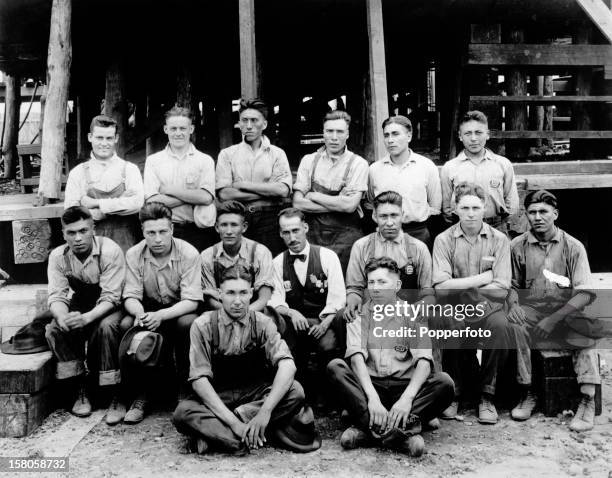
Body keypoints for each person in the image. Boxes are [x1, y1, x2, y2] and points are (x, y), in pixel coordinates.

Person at [173, 264, 320, 454]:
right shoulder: (203, 324)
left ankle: (221, 437)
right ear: (219, 294)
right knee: (183, 412)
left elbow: (288, 366)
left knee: (295, 391)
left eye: (243, 293)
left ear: (251, 293)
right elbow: (200, 381)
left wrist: (264, 413)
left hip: (254, 394)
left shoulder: (263, 323)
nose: (237, 301)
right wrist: (234, 422)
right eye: (230, 293)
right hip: (219, 395)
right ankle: (245, 435)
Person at [327, 257, 454, 455]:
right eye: (371, 282)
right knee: (335, 368)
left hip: (403, 388)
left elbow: (424, 362)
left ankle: (366, 431)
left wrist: (406, 399)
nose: (375, 288)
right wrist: (372, 399)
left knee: (444, 383)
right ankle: (403, 435)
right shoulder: (360, 315)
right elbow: (356, 359)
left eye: (382, 282)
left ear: (397, 285)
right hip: (370, 387)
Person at [507, 190, 601, 432]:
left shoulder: (573, 246)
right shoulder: (517, 246)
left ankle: (587, 399)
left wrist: (553, 319)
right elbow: (511, 285)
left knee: (584, 328)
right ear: (525, 215)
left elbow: (584, 293)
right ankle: (528, 392)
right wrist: (514, 303)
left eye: (543, 212)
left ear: (555, 214)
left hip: (566, 310)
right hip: (532, 309)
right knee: (513, 324)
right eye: (532, 212)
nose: (538, 217)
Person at [432, 182, 513, 425]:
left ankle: (486, 396)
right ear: (455, 208)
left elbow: (501, 289)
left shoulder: (499, 240)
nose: (470, 213)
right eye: (464, 207)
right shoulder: (444, 240)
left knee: (499, 325)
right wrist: (482, 279)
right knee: (448, 320)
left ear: (485, 208)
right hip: (455, 306)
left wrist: (460, 285)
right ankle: (454, 393)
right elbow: (440, 287)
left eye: (475, 207)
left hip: (489, 308)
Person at [44, 206, 127, 425]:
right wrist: (63, 317)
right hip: (81, 302)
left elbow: (112, 296)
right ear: (63, 234)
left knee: (106, 327)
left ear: (93, 229)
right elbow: (57, 296)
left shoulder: (110, 250)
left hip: (111, 304)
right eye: (71, 233)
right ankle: (79, 388)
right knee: (55, 328)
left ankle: (115, 392)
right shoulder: (58, 256)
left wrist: (88, 318)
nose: (78, 238)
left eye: (83, 231)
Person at [121, 202, 202, 423]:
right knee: (126, 325)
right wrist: (140, 314)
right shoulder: (134, 254)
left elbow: (192, 301)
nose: (157, 239)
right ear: (143, 232)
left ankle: (185, 389)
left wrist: (162, 316)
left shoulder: (188, 253)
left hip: (178, 310)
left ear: (172, 230)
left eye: (163, 232)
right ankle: (141, 394)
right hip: (148, 309)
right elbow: (130, 295)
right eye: (151, 233)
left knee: (189, 323)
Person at [269, 207, 346, 402]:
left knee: (328, 345)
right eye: (286, 232)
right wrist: (292, 312)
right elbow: (275, 300)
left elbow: (338, 297)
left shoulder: (327, 256)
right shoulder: (278, 262)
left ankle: (329, 396)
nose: (292, 237)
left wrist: (325, 323)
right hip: (293, 325)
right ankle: (299, 395)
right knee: (288, 348)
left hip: (322, 322)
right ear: (280, 234)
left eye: (295, 230)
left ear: (305, 228)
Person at [293, 110, 368, 272]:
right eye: (329, 131)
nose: (334, 137)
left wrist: (314, 195)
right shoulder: (309, 161)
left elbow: (349, 207)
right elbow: (298, 203)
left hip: (346, 237)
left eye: (340, 132)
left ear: (347, 134)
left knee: (344, 284)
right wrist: (338, 202)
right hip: (313, 235)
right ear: (323, 133)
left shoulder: (358, 164)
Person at [216, 98, 292, 256]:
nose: (249, 125)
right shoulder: (227, 154)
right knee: (241, 264)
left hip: (270, 218)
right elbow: (224, 194)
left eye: (254, 120)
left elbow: (283, 190)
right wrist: (267, 192)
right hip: (238, 218)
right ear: (239, 123)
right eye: (245, 120)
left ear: (264, 124)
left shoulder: (277, 153)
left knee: (270, 262)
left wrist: (243, 185)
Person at [344, 191, 433, 324]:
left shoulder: (418, 248)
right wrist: (353, 298)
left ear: (402, 215)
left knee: (440, 318)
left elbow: (428, 291)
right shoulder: (361, 246)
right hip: (373, 313)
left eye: (394, 215)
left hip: (408, 314)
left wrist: (426, 302)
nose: (389, 222)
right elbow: (354, 287)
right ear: (374, 216)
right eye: (383, 216)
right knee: (343, 316)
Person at [64, 115, 144, 252]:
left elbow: (137, 204)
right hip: (91, 244)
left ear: (116, 139)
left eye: (109, 138)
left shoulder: (130, 169)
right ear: (90, 137)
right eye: (99, 138)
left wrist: (96, 204)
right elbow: (70, 214)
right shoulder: (77, 173)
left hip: (126, 244)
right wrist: (119, 203)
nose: (104, 143)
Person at [144, 106, 216, 252]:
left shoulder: (204, 160)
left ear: (191, 129)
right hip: (165, 231)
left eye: (183, 128)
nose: (178, 133)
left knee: (198, 273)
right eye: (173, 128)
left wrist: (170, 190)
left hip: (198, 231)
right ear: (166, 129)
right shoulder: (153, 161)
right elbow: (152, 200)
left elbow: (207, 198)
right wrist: (193, 195)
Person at [368, 116, 441, 248]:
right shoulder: (374, 170)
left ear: (409, 136)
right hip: (385, 235)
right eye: (386, 135)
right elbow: (370, 202)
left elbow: (435, 206)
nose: (390, 140)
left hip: (418, 234)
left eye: (395, 134)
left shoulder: (426, 166)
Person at [440, 110, 519, 234]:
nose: (473, 138)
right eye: (467, 133)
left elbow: (511, 202)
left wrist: (503, 225)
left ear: (487, 134)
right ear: (460, 136)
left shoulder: (502, 164)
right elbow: (447, 207)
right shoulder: (450, 167)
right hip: (462, 226)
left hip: (496, 226)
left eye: (478, 133)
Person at [201, 200, 274, 313]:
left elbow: (264, 298)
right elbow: (210, 299)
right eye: (224, 225)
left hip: (254, 310)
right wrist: (230, 312)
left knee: (271, 322)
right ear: (216, 227)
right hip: (221, 311)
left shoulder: (260, 252)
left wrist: (244, 313)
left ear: (244, 227)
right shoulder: (207, 256)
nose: (229, 231)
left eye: (234, 225)